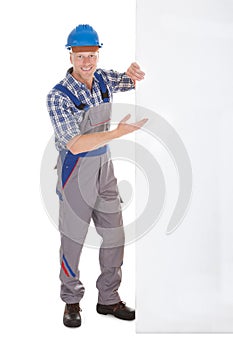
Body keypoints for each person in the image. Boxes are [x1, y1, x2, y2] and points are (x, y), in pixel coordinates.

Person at [46, 24, 147, 328]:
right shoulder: (58, 96)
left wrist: (133, 71)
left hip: (105, 168)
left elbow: (129, 80)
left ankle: (108, 298)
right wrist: (116, 133)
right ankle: (72, 301)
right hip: (75, 171)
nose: (87, 61)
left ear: (98, 54)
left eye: (92, 55)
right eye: (81, 56)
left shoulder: (103, 79)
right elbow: (75, 143)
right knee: (73, 240)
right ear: (71, 56)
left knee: (115, 235)